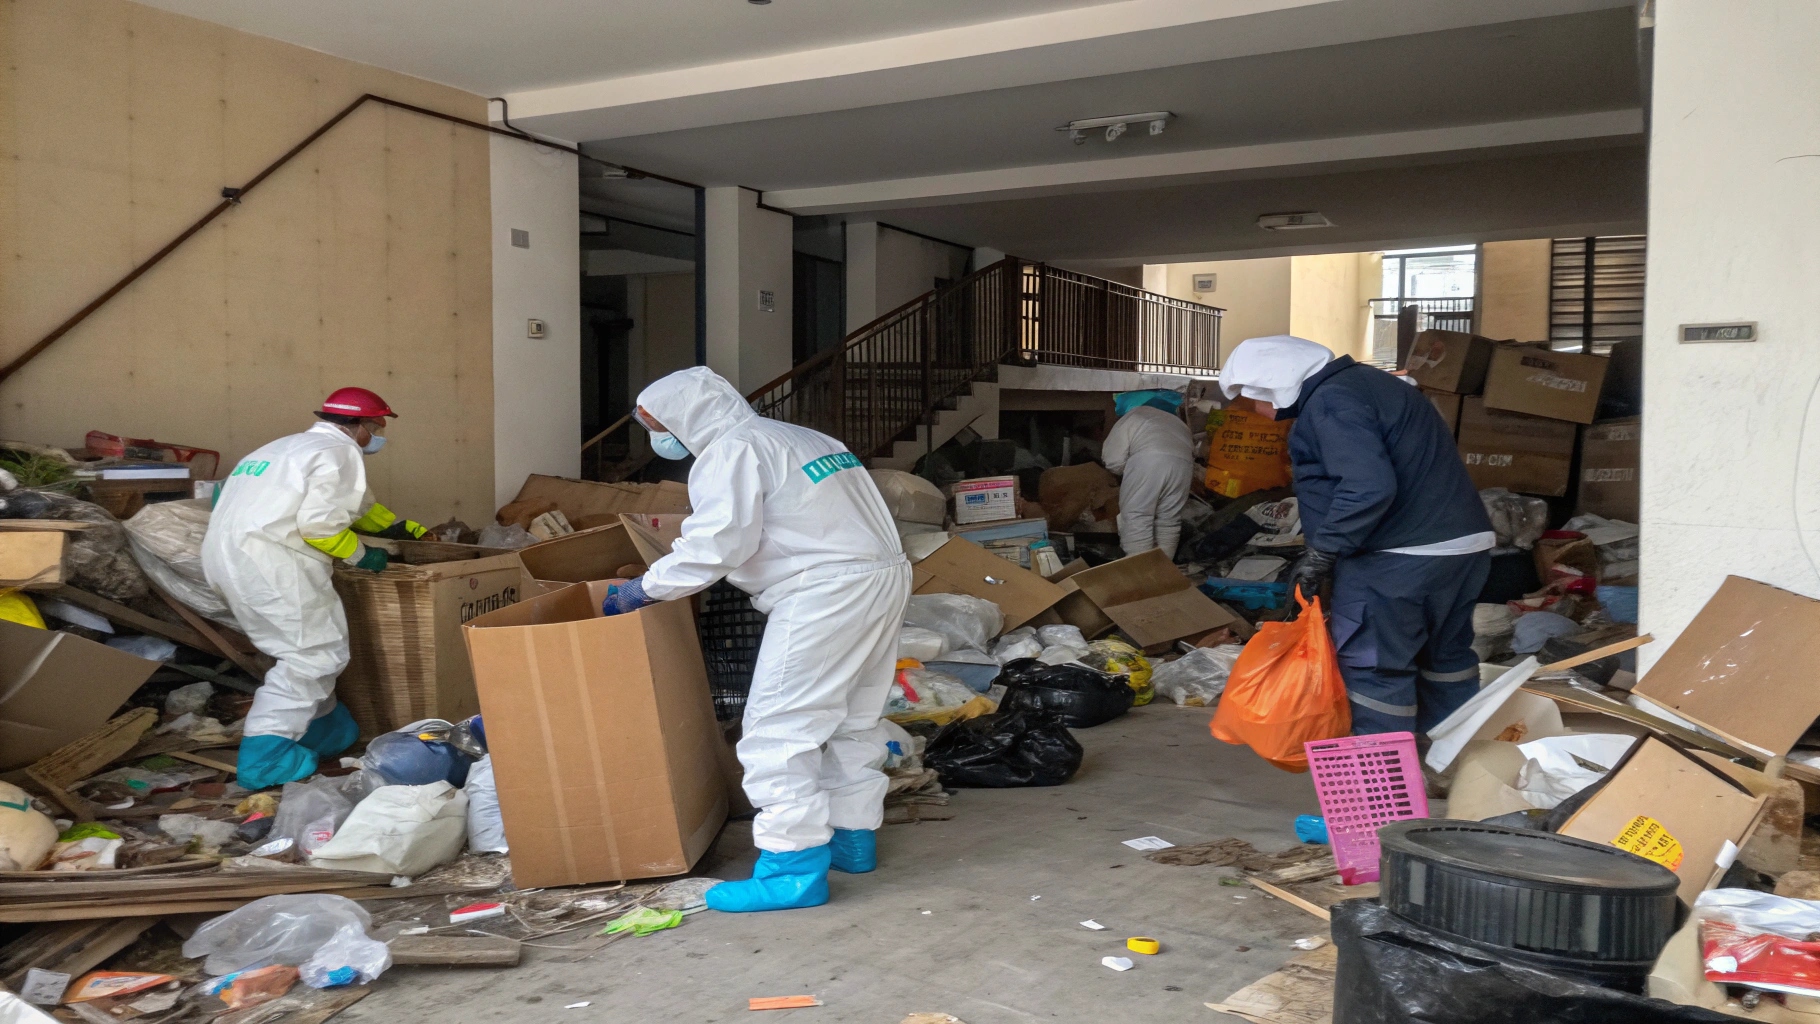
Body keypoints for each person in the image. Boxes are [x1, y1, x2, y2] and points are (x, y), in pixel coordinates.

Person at [599, 366, 911, 913]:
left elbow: (718, 545)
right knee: (852, 718)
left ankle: (792, 870)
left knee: (777, 731)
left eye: (655, 423)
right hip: (880, 575)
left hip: (823, 590)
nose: (656, 436)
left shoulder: (732, 450)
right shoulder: (802, 437)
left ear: (683, 417)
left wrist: (644, 589)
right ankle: (852, 839)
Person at [1218, 336, 1495, 736]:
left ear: (1274, 382)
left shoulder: (1330, 403)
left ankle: (1382, 785)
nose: (1257, 411)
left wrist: (1324, 553)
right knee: (1446, 657)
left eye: (1253, 398)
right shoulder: (1375, 384)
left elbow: (1368, 486)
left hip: (1397, 559)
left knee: (1375, 668)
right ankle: (1451, 764)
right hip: (1463, 547)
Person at [202, 387, 429, 790]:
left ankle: (323, 731)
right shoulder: (340, 454)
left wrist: (400, 528)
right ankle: (264, 759)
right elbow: (320, 526)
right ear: (359, 425)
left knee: (302, 648)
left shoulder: (281, 448)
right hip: (273, 563)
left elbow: (355, 505)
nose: (378, 434)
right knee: (313, 656)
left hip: (226, 557)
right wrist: (363, 555)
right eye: (377, 426)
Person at [1101, 389, 1194, 558]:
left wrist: (1127, 472)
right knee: (1169, 519)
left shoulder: (1134, 416)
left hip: (1149, 459)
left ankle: (1140, 570)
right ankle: (1164, 570)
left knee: (1137, 515)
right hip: (1183, 466)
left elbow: (1112, 459)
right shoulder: (1177, 422)